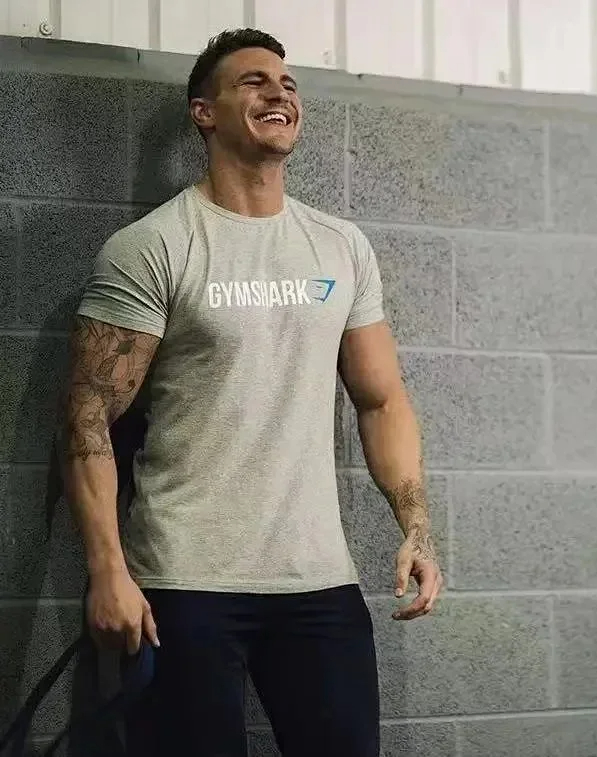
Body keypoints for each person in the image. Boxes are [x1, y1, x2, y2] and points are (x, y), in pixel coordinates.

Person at [58, 27, 443, 757]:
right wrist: (107, 570)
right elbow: (86, 416)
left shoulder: (341, 246)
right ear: (204, 113)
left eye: (288, 84)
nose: (279, 92)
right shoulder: (154, 246)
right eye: (254, 81)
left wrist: (416, 527)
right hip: (182, 583)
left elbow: (381, 399)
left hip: (318, 582)